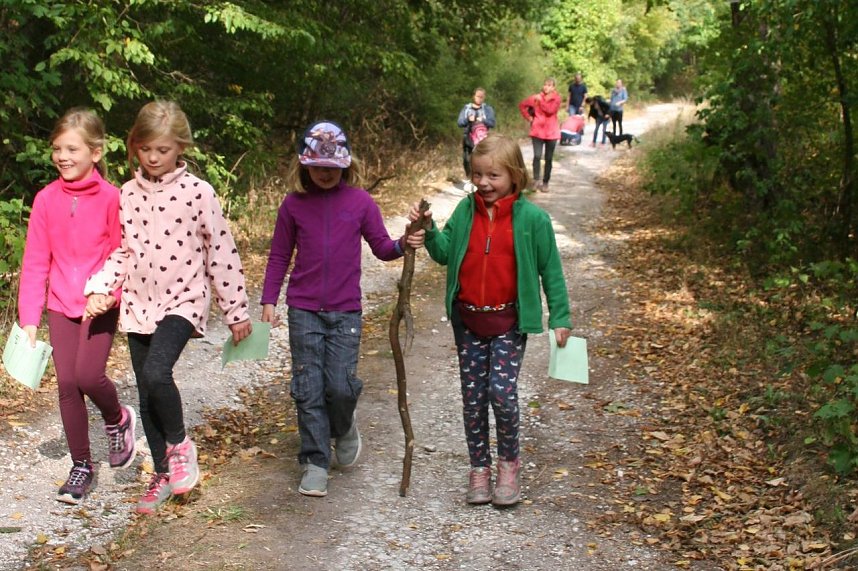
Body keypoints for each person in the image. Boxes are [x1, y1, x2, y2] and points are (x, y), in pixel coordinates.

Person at [84, 101, 252, 514]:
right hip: (140, 303)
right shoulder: (126, 194)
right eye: (145, 149)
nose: (154, 157)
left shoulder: (198, 193)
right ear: (134, 147)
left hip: (184, 299)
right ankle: (161, 472)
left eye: (162, 149)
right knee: (145, 390)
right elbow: (123, 251)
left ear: (180, 147)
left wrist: (236, 310)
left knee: (159, 372)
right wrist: (101, 287)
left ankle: (180, 446)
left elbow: (221, 252)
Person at [260, 120, 425, 498]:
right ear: (305, 166)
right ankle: (315, 461)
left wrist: (405, 242)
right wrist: (269, 298)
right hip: (303, 309)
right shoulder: (293, 205)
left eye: (332, 168)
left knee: (340, 386)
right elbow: (280, 255)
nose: (324, 173)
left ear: (346, 166)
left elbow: (383, 247)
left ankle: (345, 424)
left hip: (346, 311)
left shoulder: (361, 203)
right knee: (308, 387)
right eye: (317, 166)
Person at [413, 133, 572, 507]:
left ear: (515, 176)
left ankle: (508, 466)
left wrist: (560, 316)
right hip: (468, 321)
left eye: (493, 176)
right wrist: (429, 230)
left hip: (509, 322)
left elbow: (552, 272)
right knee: (472, 399)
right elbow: (444, 253)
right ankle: (479, 470)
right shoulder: (466, 211)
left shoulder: (533, 219)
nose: (483, 183)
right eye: (477, 174)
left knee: (501, 395)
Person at [17, 108, 137, 505]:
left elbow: (122, 253)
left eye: (72, 148)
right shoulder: (46, 199)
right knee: (67, 384)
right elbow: (36, 261)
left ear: (96, 152)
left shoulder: (112, 198)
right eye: (57, 149)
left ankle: (117, 417)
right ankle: (81, 466)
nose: (63, 156)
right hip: (59, 303)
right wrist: (29, 319)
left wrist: (108, 297)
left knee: (88, 375)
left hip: (99, 303)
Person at [518, 78, 562, 192]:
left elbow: (550, 110)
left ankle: (545, 182)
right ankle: (536, 180)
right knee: (537, 156)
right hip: (537, 131)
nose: (546, 87)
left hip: (551, 133)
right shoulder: (536, 97)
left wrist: (540, 101)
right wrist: (529, 117)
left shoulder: (556, 98)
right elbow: (522, 105)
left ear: (553, 88)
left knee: (548, 158)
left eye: (549, 85)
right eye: (545, 84)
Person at [457, 88, 497, 177]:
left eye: (482, 97)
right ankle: (469, 178)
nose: (480, 98)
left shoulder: (488, 109)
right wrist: (468, 119)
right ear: (473, 96)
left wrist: (483, 120)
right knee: (467, 160)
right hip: (468, 138)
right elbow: (459, 123)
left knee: (483, 160)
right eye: (478, 96)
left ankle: (481, 178)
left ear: (484, 98)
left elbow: (492, 123)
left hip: (483, 139)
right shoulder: (466, 108)